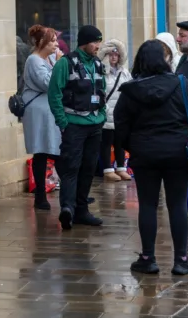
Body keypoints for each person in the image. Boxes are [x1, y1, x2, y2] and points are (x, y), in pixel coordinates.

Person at [115, 40, 188, 276]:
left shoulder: (130, 90)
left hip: (144, 154)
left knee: (147, 204)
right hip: (178, 153)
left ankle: (148, 258)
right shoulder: (180, 83)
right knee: (177, 205)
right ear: (163, 60)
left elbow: (120, 128)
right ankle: (182, 259)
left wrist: (132, 148)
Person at [49, 25, 107, 230]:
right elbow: (54, 93)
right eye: (95, 42)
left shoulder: (98, 64)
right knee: (71, 167)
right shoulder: (65, 63)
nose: (98, 46)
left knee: (89, 168)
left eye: (99, 41)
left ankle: (82, 210)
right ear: (84, 42)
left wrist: (102, 116)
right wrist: (63, 122)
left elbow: (103, 91)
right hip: (74, 124)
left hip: (95, 125)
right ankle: (68, 208)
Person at [22, 25, 62, 211]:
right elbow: (48, 83)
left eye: (55, 40)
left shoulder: (50, 59)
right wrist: (59, 64)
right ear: (41, 43)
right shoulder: (34, 60)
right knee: (42, 151)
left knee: (57, 150)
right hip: (39, 112)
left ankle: (73, 192)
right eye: (52, 40)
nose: (56, 44)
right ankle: (40, 195)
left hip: (50, 110)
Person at [97, 40, 132, 182]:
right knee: (106, 143)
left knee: (120, 143)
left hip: (120, 114)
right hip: (107, 113)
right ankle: (108, 169)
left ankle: (121, 168)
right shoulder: (102, 72)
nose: (113, 57)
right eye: (111, 54)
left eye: (116, 55)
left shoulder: (124, 72)